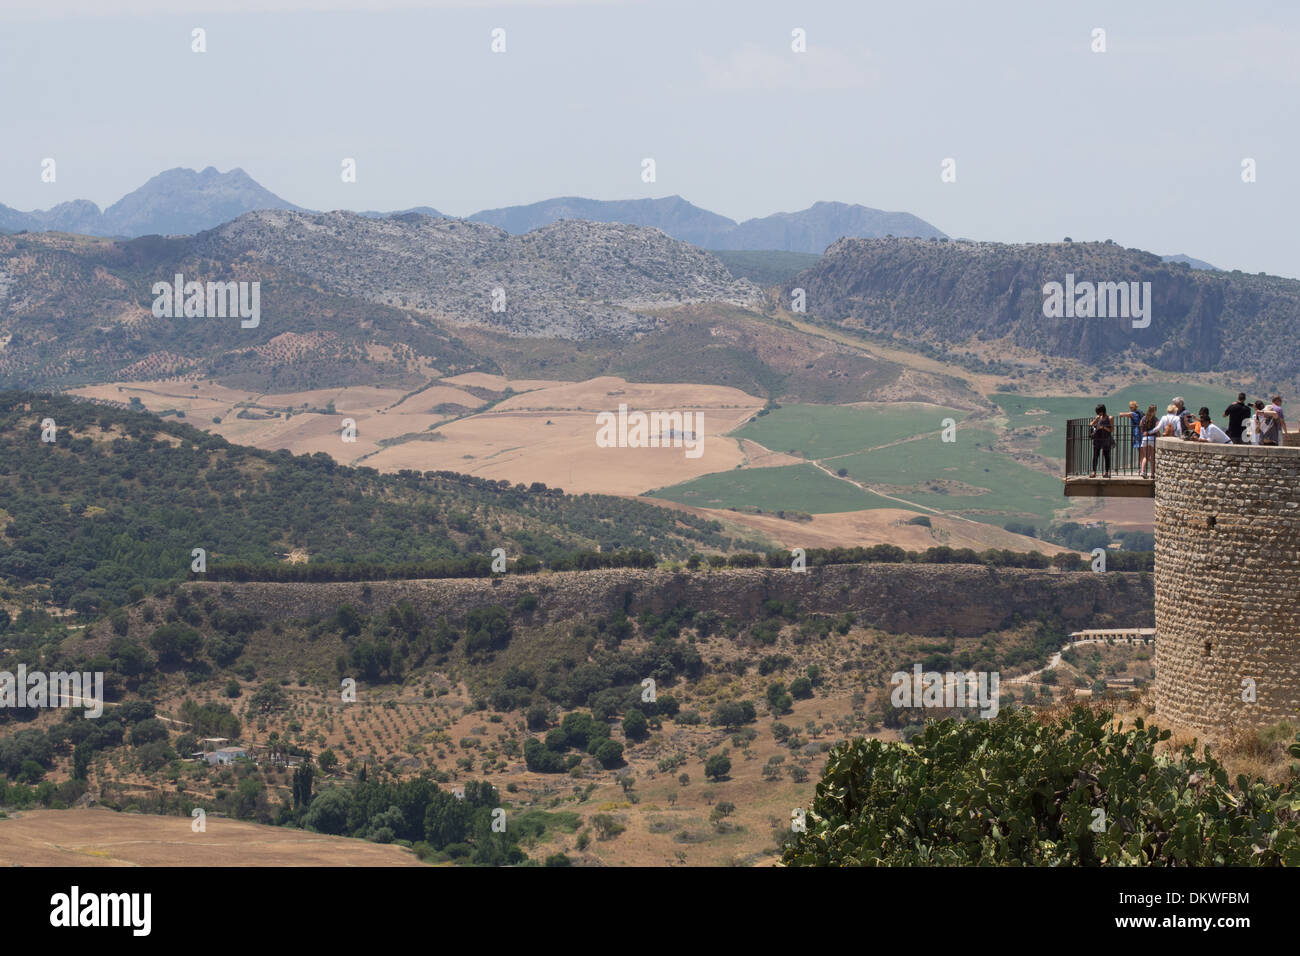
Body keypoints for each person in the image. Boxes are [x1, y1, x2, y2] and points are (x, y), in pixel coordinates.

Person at [1089, 403, 1114, 478]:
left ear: (1103, 411)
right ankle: (1094, 472)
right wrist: (1094, 422)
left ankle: (1106, 472)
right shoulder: (1098, 417)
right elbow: (1091, 424)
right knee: (1096, 455)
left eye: (1099, 412)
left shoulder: (1110, 418)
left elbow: (1112, 430)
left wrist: (1103, 427)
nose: (1099, 414)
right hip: (1098, 438)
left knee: (1106, 456)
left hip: (1106, 438)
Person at [1138, 404, 1158, 478]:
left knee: (1145, 457)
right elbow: (1157, 429)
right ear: (1155, 411)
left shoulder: (1143, 418)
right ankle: (1152, 474)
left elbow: (1140, 427)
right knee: (1152, 457)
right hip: (1152, 438)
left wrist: (1143, 432)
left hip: (1145, 439)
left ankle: (1143, 471)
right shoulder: (1155, 419)